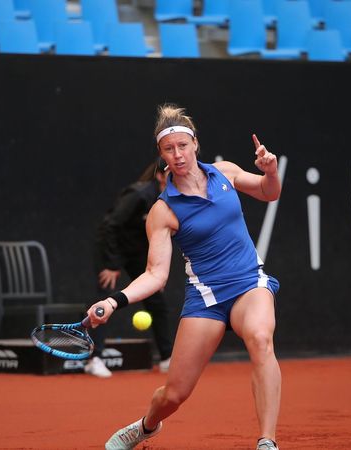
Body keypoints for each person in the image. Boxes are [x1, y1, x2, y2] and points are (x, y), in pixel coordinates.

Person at [86, 104, 283, 450]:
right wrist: (114, 301)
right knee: (175, 394)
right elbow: (155, 275)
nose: (177, 154)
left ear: (195, 145)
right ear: (161, 154)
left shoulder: (225, 173)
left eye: (182, 146)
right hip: (206, 298)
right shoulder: (162, 211)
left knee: (260, 338)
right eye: (168, 149)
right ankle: (146, 425)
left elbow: (269, 193)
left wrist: (270, 172)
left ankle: (267, 441)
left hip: (249, 283)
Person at [84, 159, 175, 379]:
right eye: (170, 172)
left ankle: (166, 358)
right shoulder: (139, 194)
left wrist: (155, 272)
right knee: (103, 301)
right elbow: (110, 225)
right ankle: (94, 359)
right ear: (160, 176)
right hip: (112, 248)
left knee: (156, 300)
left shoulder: (171, 199)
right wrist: (111, 264)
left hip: (137, 253)